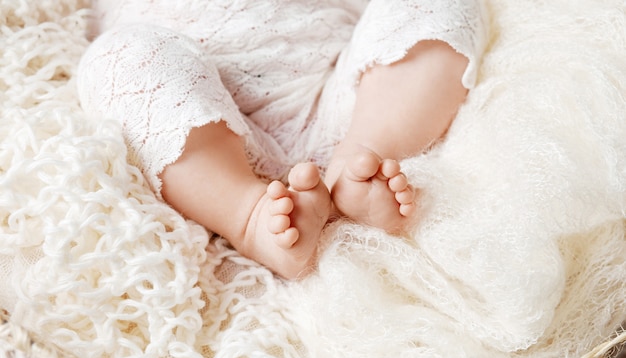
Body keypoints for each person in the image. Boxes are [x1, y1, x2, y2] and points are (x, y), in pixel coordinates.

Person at [78, 0, 486, 279]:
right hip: (213, 137)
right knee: (116, 59)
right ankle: (249, 217)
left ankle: (361, 161)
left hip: (344, 97)